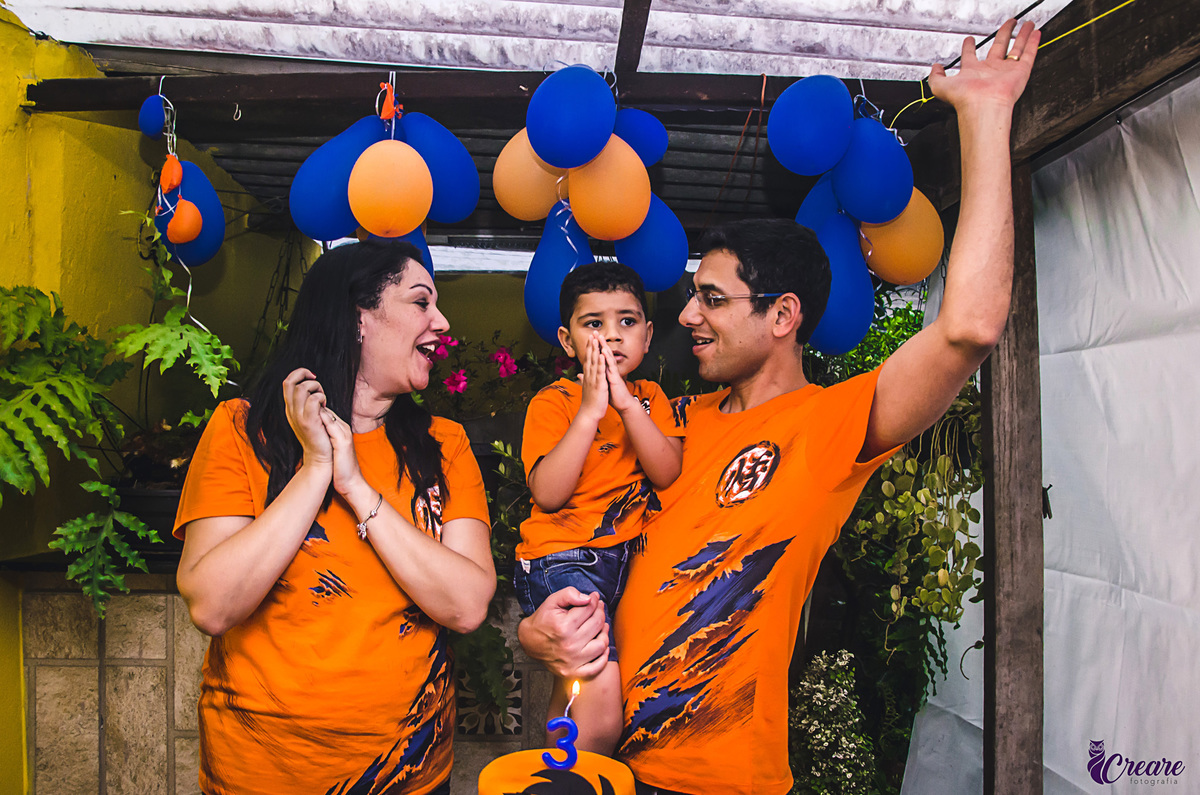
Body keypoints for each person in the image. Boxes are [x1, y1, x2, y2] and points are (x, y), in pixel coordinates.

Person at [517, 19, 1041, 795]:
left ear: (783, 316)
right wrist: (537, 632)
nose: (688, 318)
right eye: (692, 297)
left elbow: (967, 329)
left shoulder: (832, 425)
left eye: (713, 300)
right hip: (607, 768)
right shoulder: (670, 420)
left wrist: (985, 115)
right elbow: (585, 548)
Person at [173, 240, 496, 795]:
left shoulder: (446, 446)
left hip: (408, 773)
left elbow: (466, 605)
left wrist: (354, 483)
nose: (442, 322)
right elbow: (213, 603)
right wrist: (317, 466)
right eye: (422, 303)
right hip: (262, 771)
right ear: (358, 318)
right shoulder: (242, 430)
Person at [516, 261, 685, 754]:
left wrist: (627, 405)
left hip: (620, 561)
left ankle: (557, 780)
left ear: (648, 335)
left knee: (579, 691)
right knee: (599, 698)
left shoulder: (652, 399)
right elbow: (548, 493)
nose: (612, 337)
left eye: (627, 322)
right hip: (564, 558)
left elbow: (667, 471)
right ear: (567, 342)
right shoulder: (555, 402)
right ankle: (566, 785)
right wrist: (592, 409)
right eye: (594, 324)